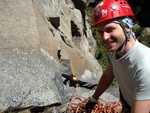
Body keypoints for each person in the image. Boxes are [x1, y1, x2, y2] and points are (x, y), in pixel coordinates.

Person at [85, 0, 150, 113]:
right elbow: (109, 74)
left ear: (127, 27)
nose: (104, 37)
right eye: (101, 32)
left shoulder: (145, 66)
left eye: (110, 29)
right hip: (129, 103)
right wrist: (94, 98)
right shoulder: (115, 51)